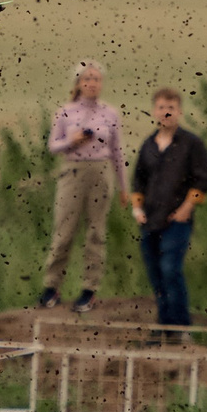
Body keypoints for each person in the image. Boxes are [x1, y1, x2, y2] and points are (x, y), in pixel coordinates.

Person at [40, 61, 124, 314]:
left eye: (96, 79)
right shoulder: (65, 112)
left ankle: (89, 289)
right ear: (78, 83)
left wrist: (123, 186)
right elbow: (52, 146)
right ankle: (51, 286)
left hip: (100, 171)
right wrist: (71, 140)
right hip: (72, 171)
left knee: (96, 233)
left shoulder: (110, 113)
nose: (92, 83)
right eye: (87, 79)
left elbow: (117, 152)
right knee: (64, 230)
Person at [129, 86, 207, 331]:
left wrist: (188, 207)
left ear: (179, 111)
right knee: (155, 273)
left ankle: (180, 326)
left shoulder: (191, 144)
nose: (166, 112)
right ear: (154, 111)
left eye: (171, 108)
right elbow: (139, 180)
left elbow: (203, 179)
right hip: (150, 220)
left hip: (177, 220)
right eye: (162, 107)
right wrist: (137, 208)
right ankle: (164, 326)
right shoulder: (148, 145)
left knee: (170, 269)